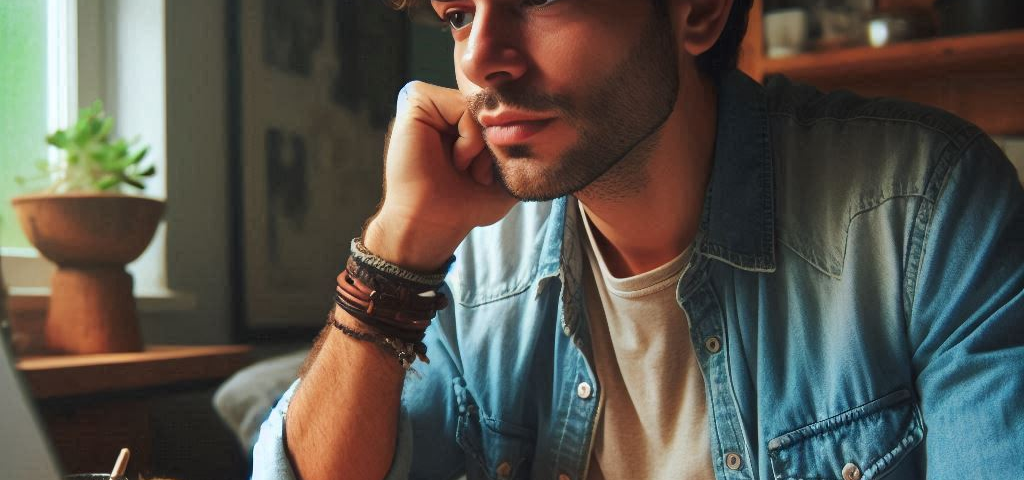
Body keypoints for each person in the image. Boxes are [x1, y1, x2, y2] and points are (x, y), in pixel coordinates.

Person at [253, 0, 1024, 479]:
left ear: (697, 12)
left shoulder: (924, 210)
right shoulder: (476, 264)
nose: (479, 57)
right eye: (459, 13)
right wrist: (397, 249)